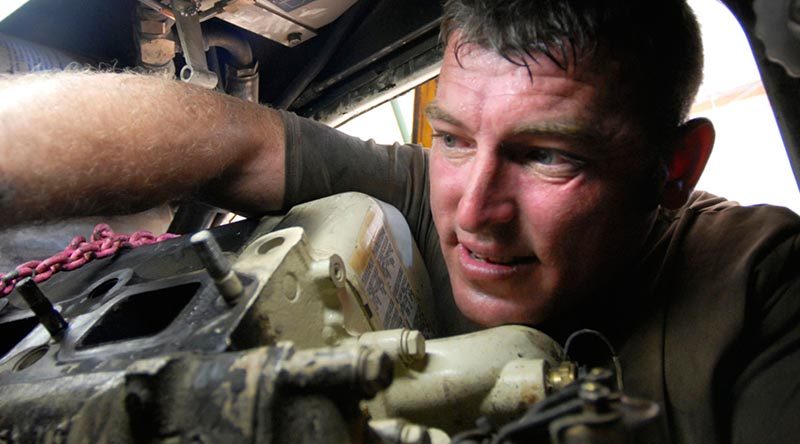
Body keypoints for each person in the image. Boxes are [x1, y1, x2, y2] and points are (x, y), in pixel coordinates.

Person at [0, 0, 798, 442]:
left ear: (676, 169)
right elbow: (228, 140)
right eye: (450, 138)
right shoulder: (419, 192)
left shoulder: (765, 286)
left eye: (548, 157)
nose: (474, 212)